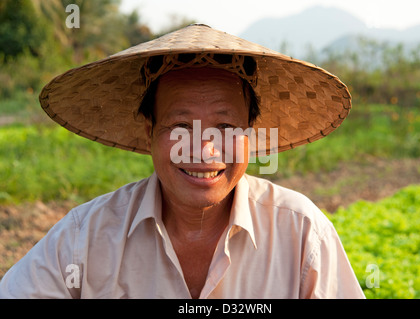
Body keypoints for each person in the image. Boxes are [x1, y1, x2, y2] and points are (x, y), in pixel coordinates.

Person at [0, 24, 365, 299]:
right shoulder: (85, 237)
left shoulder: (301, 234)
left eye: (225, 126)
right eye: (180, 126)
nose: (205, 151)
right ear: (149, 132)